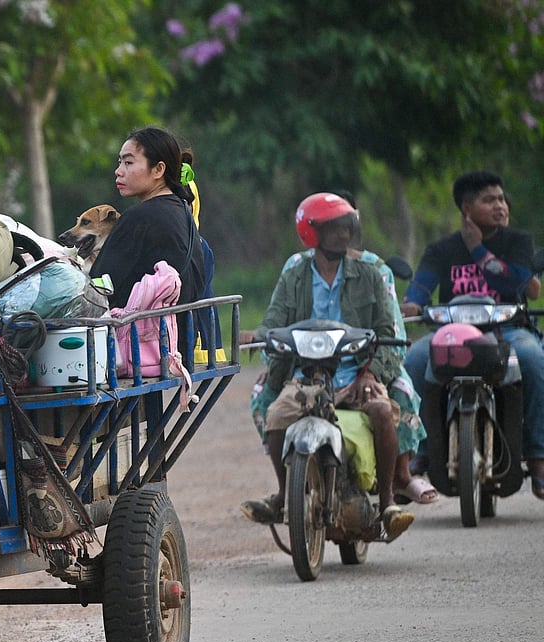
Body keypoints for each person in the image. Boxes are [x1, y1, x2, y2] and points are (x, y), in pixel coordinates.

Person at [240, 192, 415, 539]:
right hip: (306, 375)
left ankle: (387, 503)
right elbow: (273, 320)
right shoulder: (295, 273)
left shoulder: (370, 273)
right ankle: (283, 493)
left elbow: (386, 331)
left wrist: (370, 372)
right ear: (311, 232)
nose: (343, 235)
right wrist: (255, 335)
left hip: (357, 372)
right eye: (334, 229)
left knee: (381, 412)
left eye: (346, 228)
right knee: (275, 415)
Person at [400, 170, 543, 499]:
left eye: (501, 199)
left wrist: (477, 249)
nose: (500, 206)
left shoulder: (518, 242)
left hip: (508, 332)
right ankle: (420, 449)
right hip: (453, 335)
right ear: (466, 209)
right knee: (414, 360)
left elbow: (516, 283)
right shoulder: (441, 249)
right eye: (489, 200)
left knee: (534, 358)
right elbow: (420, 288)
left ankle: (537, 457)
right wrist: (411, 305)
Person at [90, 126, 206, 311]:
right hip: (184, 334)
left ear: (158, 169)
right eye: (119, 162)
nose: (118, 171)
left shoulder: (140, 217)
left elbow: (99, 287)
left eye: (128, 163)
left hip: (144, 336)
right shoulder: (183, 212)